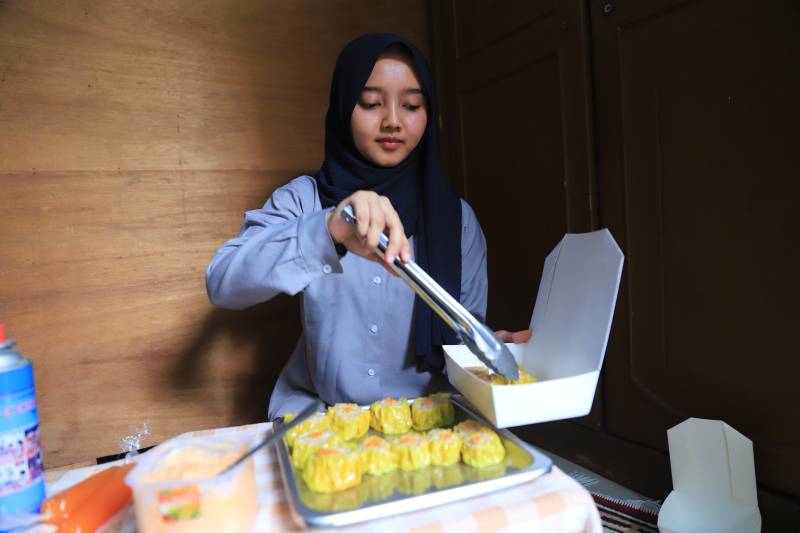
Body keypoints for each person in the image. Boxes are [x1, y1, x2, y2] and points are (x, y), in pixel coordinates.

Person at [206, 33, 529, 419]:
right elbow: (222, 282)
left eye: (411, 105)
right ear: (344, 107)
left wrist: (482, 352)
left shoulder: (458, 221)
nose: (392, 121)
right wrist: (330, 229)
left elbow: (463, 332)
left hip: (426, 424)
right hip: (322, 420)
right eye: (372, 103)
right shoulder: (306, 200)